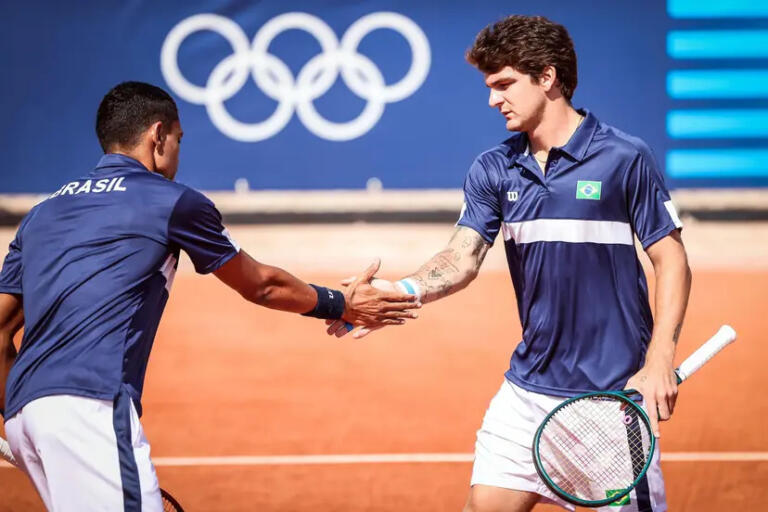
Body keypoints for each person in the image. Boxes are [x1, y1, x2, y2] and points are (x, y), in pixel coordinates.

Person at [326, 15, 691, 512]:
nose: (493, 99)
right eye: (490, 86)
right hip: (526, 396)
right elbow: (463, 254)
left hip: (612, 401)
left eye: (503, 84)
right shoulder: (494, 168)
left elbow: (670, 257)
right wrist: (405, 289)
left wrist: (659, 361)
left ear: (547, 76)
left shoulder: (624, 158)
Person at [0, 81, 419, 511]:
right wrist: (342, 303)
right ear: (158, 135)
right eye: (179, 140)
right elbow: (261, 284)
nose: (179, 153)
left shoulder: (40, 215)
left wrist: (22, 413)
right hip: (92, 406)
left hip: (22, 415)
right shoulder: (172, 201)